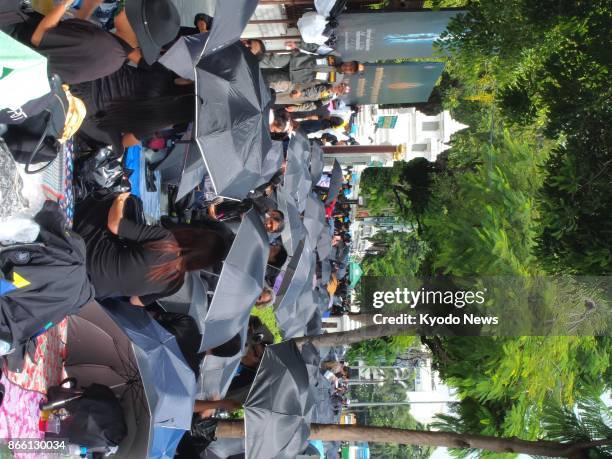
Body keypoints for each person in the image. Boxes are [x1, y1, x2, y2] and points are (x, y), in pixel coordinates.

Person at [74, 192, 227, 305]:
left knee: (121, 204)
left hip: (83, 253)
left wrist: (120, 198)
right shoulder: (175, 285)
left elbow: (115, 224)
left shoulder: (166, 240)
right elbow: (135, 301)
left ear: (197, 235)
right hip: (86, 289)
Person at [26, 0, 179, 84]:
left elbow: (38, 37)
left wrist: (65, 3)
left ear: (136, 27)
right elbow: (73, 36)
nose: (123, 7)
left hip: (19, 46)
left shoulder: (99, 42)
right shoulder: (115, 54)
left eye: (127, 8)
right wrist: (89, 6)